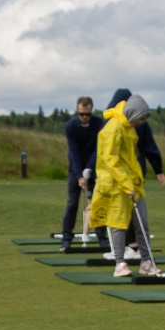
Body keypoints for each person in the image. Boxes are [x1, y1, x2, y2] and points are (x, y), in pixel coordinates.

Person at [90, 94, 164, 278]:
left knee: (142, 223)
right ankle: (119, 264)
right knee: (118, 224)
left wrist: (133, 182)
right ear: (133, 113)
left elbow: (130, 159)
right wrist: (125, 183)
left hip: (131, 184)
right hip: (115, 185)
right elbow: (110, 159)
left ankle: (146, 262)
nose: (141, 122)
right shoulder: (113, 128)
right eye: (141, 118)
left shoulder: (127, 127)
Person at [106, 86, 165, 259]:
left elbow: (148, 147)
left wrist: (158, 169)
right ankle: (128, 252)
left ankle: (132, 250)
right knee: (128, 215)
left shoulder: (120, 122)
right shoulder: (116, 124)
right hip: (125, 175)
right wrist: (158, 170)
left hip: (128, 176)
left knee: (126, 214)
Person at [58, 96, 100, 247]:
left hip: (94, 167)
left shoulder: (99, 124)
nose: (84, 117)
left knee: (97, 203)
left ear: (91, 111)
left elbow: (98, 149)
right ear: (77, 111)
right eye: (81, 114)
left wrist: (89, 168)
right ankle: (66, 239)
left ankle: (102, 239)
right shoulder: (71, 126)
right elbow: (74, 152)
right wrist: (79, 176)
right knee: (72, 203)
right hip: (75, 168)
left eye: (87, 114)